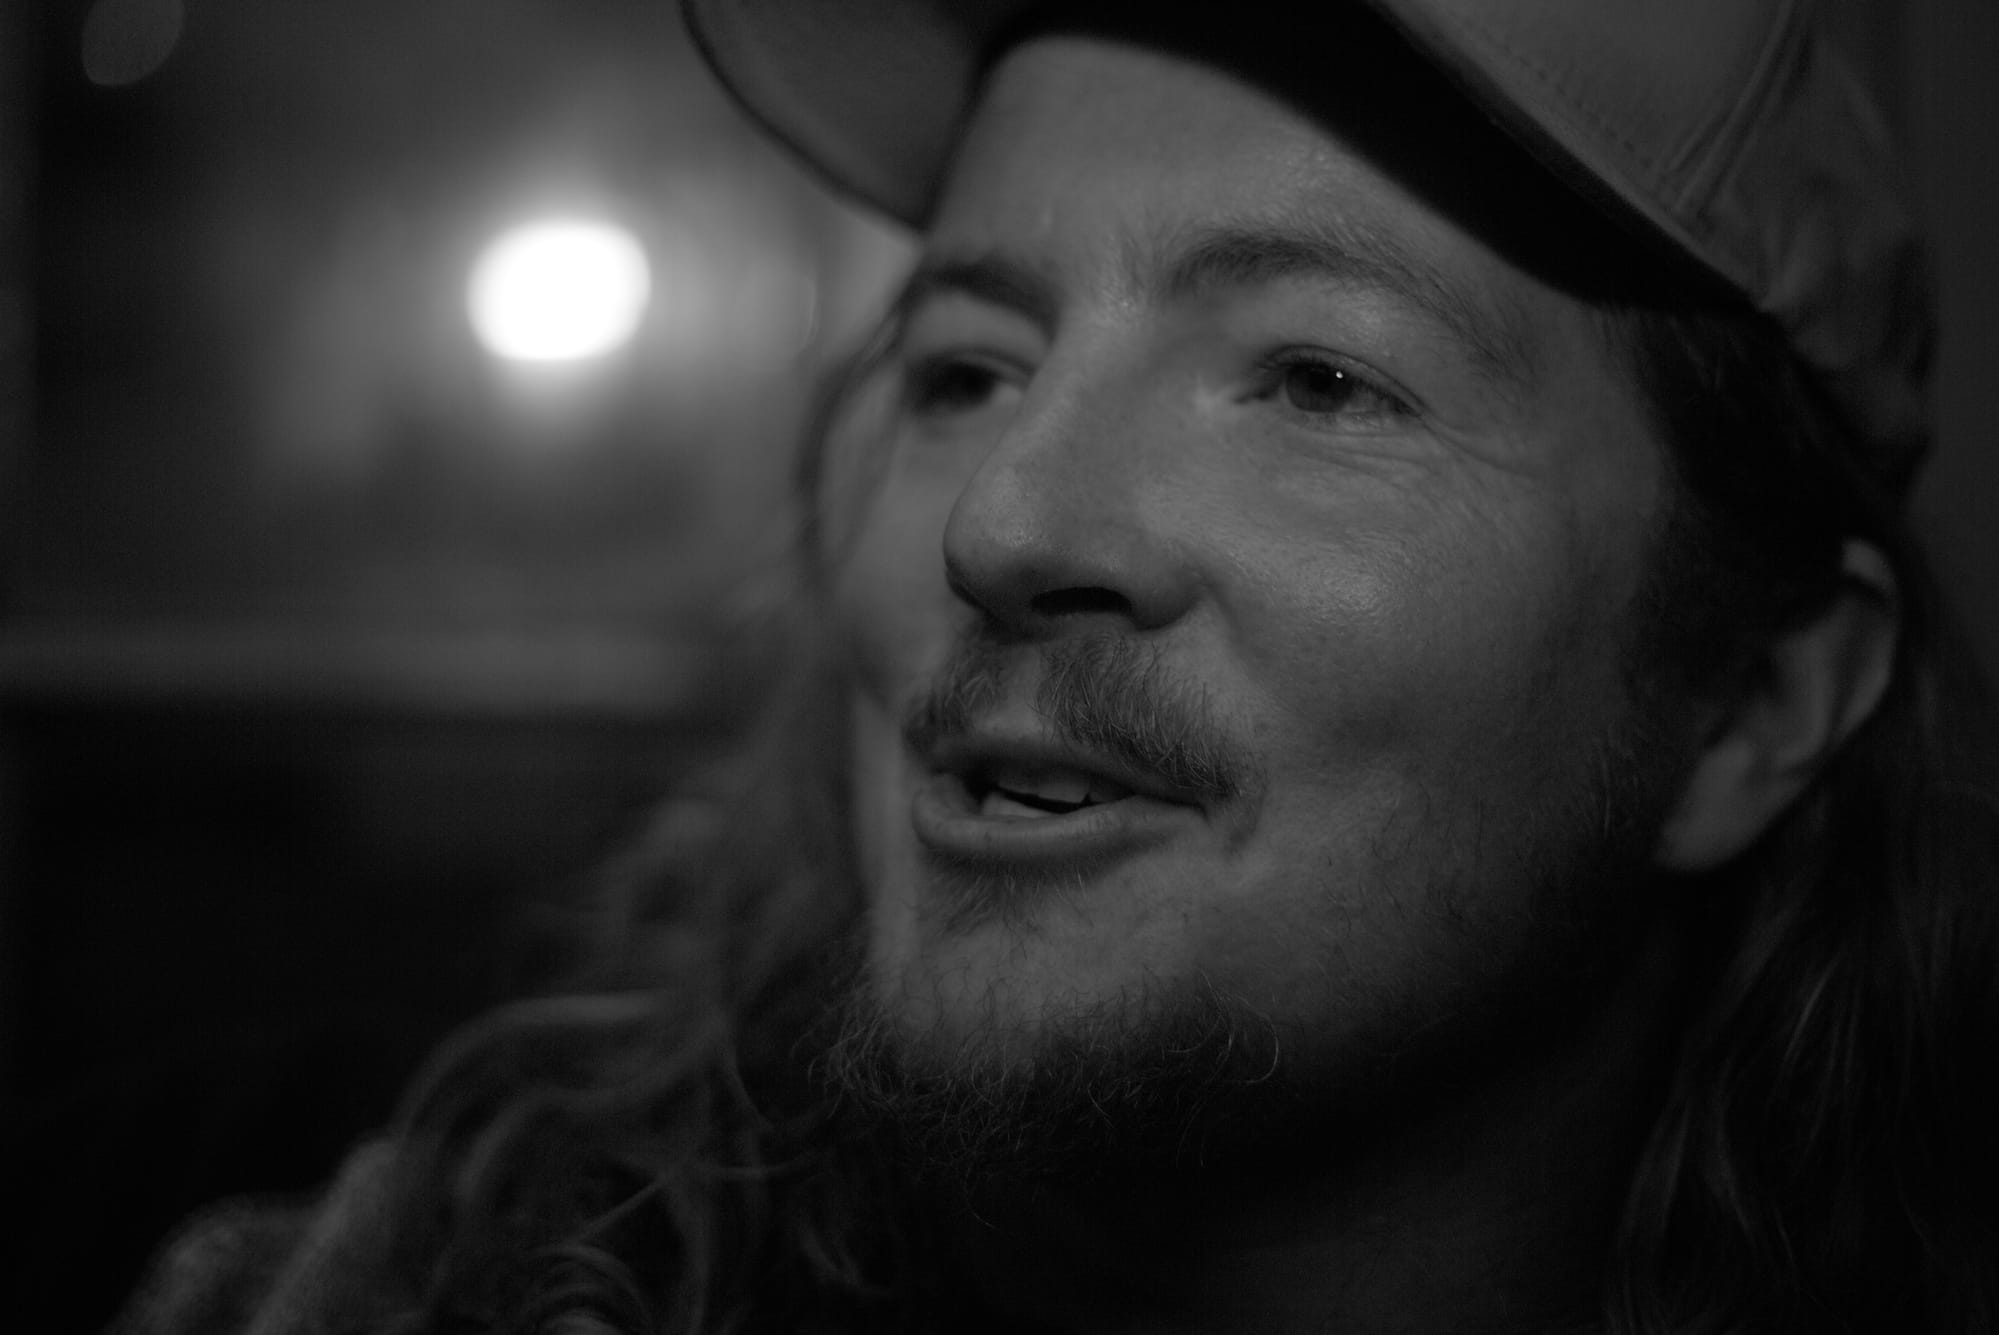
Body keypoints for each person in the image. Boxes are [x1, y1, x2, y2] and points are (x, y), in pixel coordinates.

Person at [118, 1, 1999, 1331]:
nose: (1006, 522)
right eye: (966, 370)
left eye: (1317, 382)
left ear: (1757, 703)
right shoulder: (333, 1256)